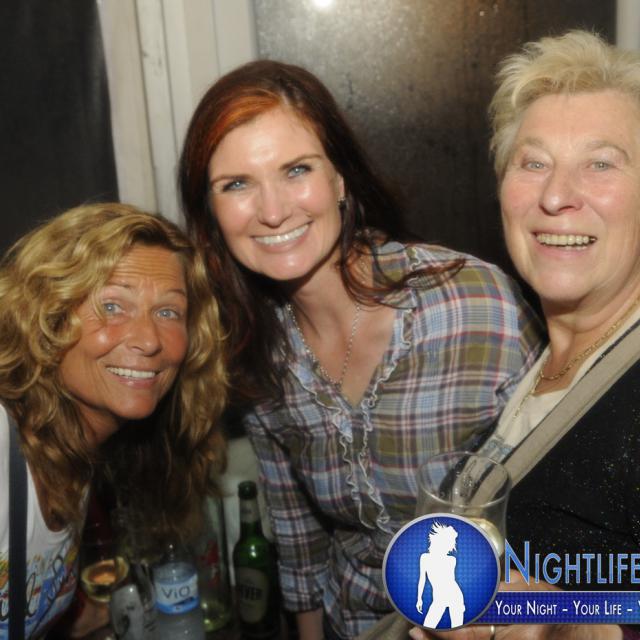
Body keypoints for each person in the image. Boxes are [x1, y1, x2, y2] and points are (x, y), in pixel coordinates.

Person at [178, 60, 542, 639]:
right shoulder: (255, 349)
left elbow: (564, 506)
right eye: (237, 184)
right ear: (211, 212)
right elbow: (298, 533)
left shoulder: (474, 306)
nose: (272, 210)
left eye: (297, 169)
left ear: (341, 179)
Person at [410, 29, 640, 640]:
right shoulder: (537, 352)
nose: (556, 195)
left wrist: (573, 627)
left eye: (600, 163)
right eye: (533, 163)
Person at [0, 203, 227, 638]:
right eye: (112, 306)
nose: (148, 340)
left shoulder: (77, 453)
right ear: (47, 316)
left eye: (168, 312)